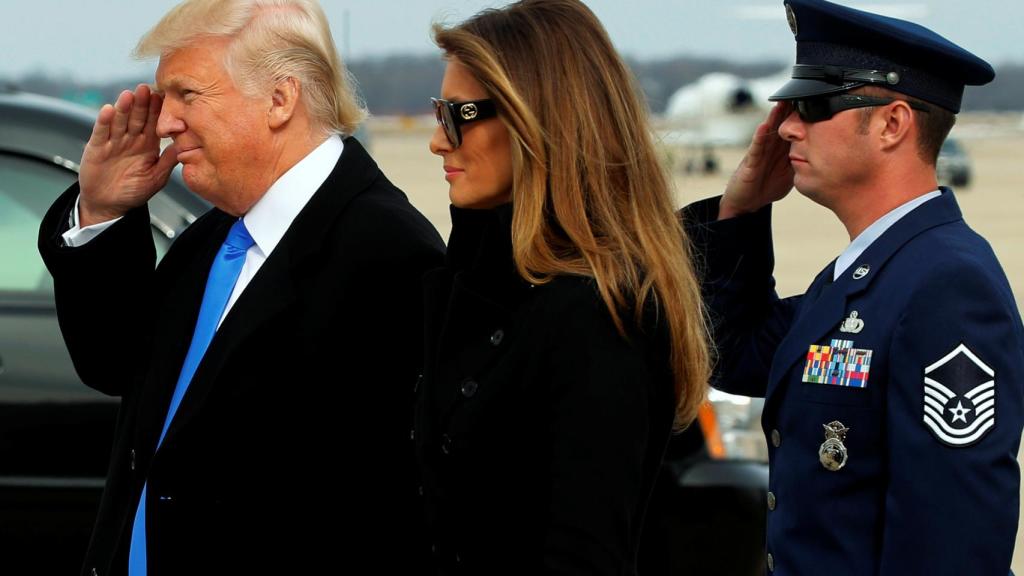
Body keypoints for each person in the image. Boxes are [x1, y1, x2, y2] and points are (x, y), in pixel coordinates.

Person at [37, 1, 444, 574]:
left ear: (280, 99)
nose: (164, 123)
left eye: (187, 94)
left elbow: (390, 508)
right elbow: (112, 364)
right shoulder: (212, 239)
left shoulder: (391, 256)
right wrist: (103, 210)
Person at [683, 0, 1024, 574]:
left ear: (893, 124)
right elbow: (734, 354)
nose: (785, 126)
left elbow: (950, 543)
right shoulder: (871, 270)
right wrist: (738, 214)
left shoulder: (947, 286)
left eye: (815, 106)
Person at [413, 1, 711, 573]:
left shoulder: (598, 314)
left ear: (537, 121)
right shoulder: (473, 277)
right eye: (437, 112)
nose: (437, 141)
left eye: (456, 115)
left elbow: (584, 551)